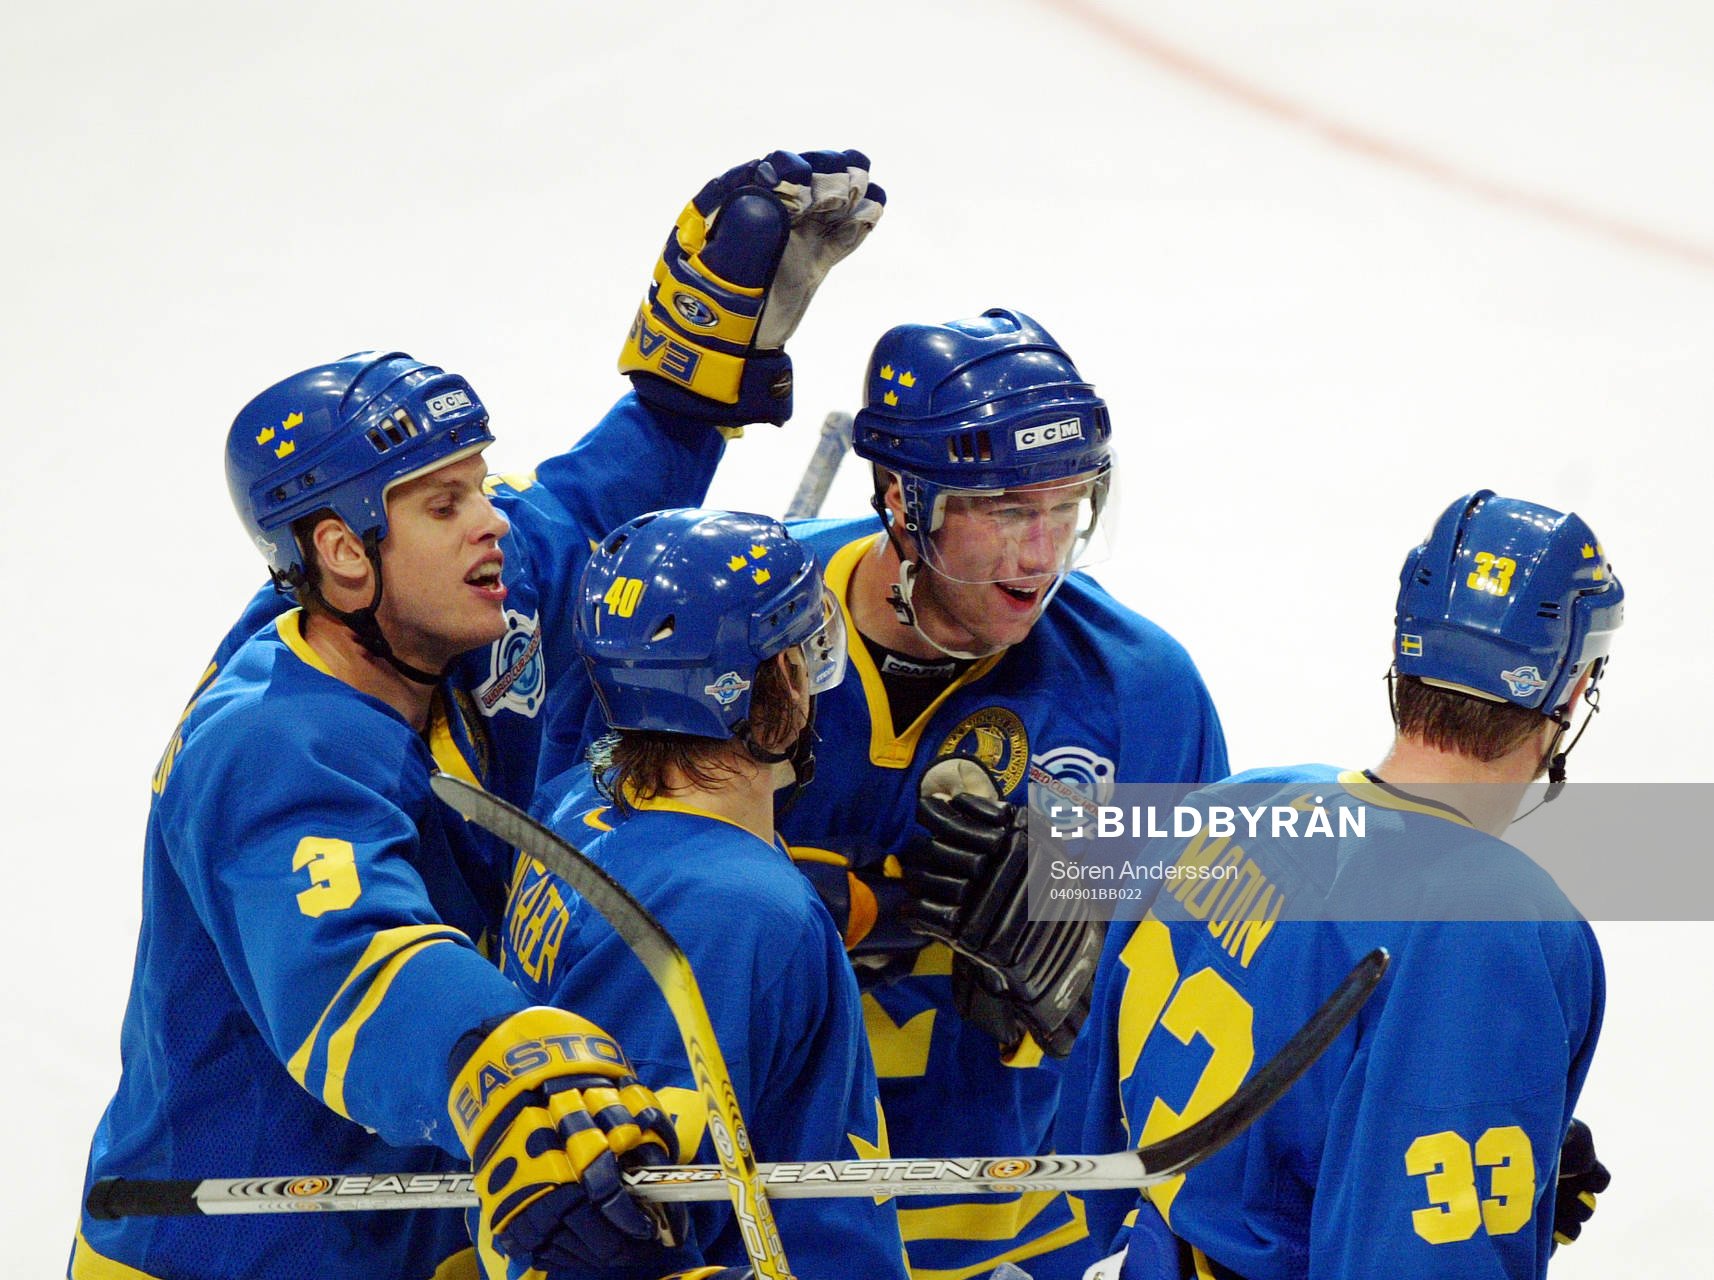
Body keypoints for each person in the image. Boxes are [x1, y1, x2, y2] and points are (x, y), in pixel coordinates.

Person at [72, 149, 885, 1280]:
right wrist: (495, 1059)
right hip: (237, 1254)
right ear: (346, 553)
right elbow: (353, 961)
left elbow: (584, 502)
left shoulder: (460, 612)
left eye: (479, 482)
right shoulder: (267, 744)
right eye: (446, 502)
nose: (489, 523)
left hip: (406, 1230)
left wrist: (690, 375)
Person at [541, 311, 1229, 1278]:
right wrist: (843, 908)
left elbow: (1205, 964)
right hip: (759, 1235)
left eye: (1066, 506)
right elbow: (579, 873)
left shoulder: (1141, 690)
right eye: (1004, 508)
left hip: (1021, 1236)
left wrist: (1101, 941)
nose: (1040, 556)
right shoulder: (728, 628)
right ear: (904, 501)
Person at [1055, 489, 1622, 1280]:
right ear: (1567, 692)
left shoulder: (1235, 804)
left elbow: (1090, 1129)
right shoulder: (1490, 923)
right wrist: (1472, 1197)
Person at [499, 508, 909, 1280]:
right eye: (805, 644)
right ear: (782, 676)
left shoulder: (574, 799)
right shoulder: (737, 912)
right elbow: (612, 1217)